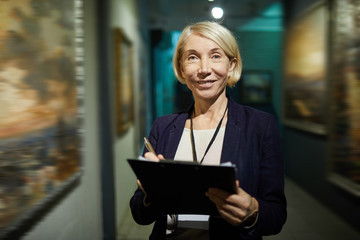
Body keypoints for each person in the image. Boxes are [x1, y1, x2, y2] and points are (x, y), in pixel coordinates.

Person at [130, 21, 286, 240]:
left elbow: (277, 214)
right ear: (182, 68)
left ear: (231, 65)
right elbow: (139, 213)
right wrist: (151, 195)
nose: (204, 69)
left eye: (215, 56)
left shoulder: (260, 126)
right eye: (193, 57)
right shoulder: (163, 127)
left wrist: (252, 213)